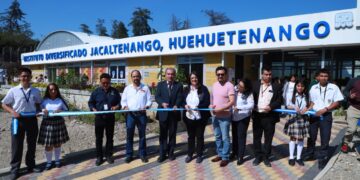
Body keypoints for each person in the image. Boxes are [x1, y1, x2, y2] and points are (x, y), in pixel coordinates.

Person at [1, 67, 42, 180]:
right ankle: (15, 170)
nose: (25, 78)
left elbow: (39, 103)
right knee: (16, 146)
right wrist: (12, 112)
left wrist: (39, 111)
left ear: (30, 77)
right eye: (23, 76)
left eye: (27, 76)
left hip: (32, 120)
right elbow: (4, 104)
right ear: (19, 77)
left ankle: (31, 166)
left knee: (32, 144)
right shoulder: (13, 90)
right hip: (18, 121)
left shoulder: (36, 91)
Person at [307, 68, 344, 169]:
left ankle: (323, 158)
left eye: (326, 76)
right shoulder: (313, 88)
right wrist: (306, 109)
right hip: (314, 115)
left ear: (328, 77)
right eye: (322, 76)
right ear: (318, 77)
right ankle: (310, 153)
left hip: (326, 115)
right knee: (311, 135)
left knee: (325, 137)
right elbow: (312, 103)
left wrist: (325, 109)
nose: (324, 78)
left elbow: (337, 102)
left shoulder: (334, 87)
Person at [252, 66, 282, 167]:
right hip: (257, 116)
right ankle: (257, 156)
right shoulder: (255, 84)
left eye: (270, 74)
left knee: (268, 138)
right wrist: (252, 105)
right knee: (257, 137)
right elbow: (250, 97)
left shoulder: (276, 85)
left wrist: (271, 106)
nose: (268, 76)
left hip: (269, 117)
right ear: (262, 74)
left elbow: (279, 100)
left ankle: (266, 157)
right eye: (266, 74)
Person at [88, 73, 121, 166]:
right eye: (103, 83)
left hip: (110, 118)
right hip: (99, 118)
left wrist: (117, 107)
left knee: (110, 138)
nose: (105, 85)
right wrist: (93, 109)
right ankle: (99, 157)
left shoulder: (115, 91)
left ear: (110, 82)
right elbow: (91, 103)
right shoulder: (96, 92)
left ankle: (109, 156)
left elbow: (120, 103)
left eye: (107, 83)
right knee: (99, 138)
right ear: (100, 82)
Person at [121, 70, 152, 163]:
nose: (135, 78)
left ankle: (142, 154)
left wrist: (146, 106)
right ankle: (129, 155)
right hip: (130, 115)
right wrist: (125, 106)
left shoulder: (145, 88)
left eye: (137, 76)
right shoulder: (127, 88)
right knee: (129, 135)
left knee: (142, 135)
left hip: (141, 115)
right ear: (131, 78)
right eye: (134, 76)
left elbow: (149, 100)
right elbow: (123, 100)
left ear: (140, 77)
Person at [38, 83, 70, 170]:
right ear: (48, 91)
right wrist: (42, 110)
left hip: (59, 123)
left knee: (57, 143)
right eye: (51, 89)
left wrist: (60, 110)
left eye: (55, 89)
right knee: (48, 144)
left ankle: (57, 160)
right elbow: (38, 110)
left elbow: (67, 110)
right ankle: (48, 162)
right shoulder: (44, 100)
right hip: (47, 123)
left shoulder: (60, 100)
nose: (53, 91)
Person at [155, 68, 183, 163]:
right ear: (165, 75)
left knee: (172, 135)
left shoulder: (179, 85)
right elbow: (157, 97)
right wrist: (162, 103)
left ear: (174, 75)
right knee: (162, 135)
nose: (170, 76)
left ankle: (171, 153)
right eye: (168, 74)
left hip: (173, 114)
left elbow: (180, 96)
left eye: (172, 74)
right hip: (163, 113)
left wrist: (177, 105)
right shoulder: (160, 85)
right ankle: (162, 154)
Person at [209, 66, 235, 167]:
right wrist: (211, 107)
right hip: (215, 116)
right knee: (217, 136)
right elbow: (212, 99)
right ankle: (219, 154)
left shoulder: (229, 86)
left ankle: (225, 157)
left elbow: (232, 101)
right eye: (218, 74)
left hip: (225, 117)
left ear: (226, 75)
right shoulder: (214, 85)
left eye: (222, 74)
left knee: (225, 138)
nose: (220, 76)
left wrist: (220, 109)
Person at [183, 71, 211, 164]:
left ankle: (199, 154)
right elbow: (181, 100)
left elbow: (207, 102)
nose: (194, 79)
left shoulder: (204, 89)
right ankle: (190, 154)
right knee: (190, 136)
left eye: (195, 78)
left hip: (200, 117)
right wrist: (184, 105)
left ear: (198, 78)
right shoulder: (186, 89)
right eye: (192, 78)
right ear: (189, 80)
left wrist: (198, 107)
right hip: (189, 116)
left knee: (199, 136)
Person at [284, 80, 310, 166]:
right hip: (294, 118)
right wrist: (294, 107)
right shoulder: (290, 94)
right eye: (298, 86)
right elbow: (287, 105)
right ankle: (291, 157)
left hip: (303, 118)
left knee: (301, 138)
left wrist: (306, 108)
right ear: (296, 86)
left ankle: (298, 158)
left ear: (304, 87)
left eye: (302, 86)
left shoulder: (306, 96)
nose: (300, 88)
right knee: (293, 138)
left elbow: (309, 105)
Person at [231, 78, 254, 166]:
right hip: (234, 117)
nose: (238, 87)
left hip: (243, 117)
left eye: (241, 86)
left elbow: (251, 105)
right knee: (234, 136)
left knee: (241, 137)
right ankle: (234, 152)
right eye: (238, 84)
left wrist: (240, 107)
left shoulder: (249, 94)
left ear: (246, 88)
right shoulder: (235, 90)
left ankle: (240, 156)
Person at [341, 75, 360, 153]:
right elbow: (345, 91)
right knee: (352, 129)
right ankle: (345, 143)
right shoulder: (354, 80)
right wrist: (350, 95)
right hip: (354, 108)